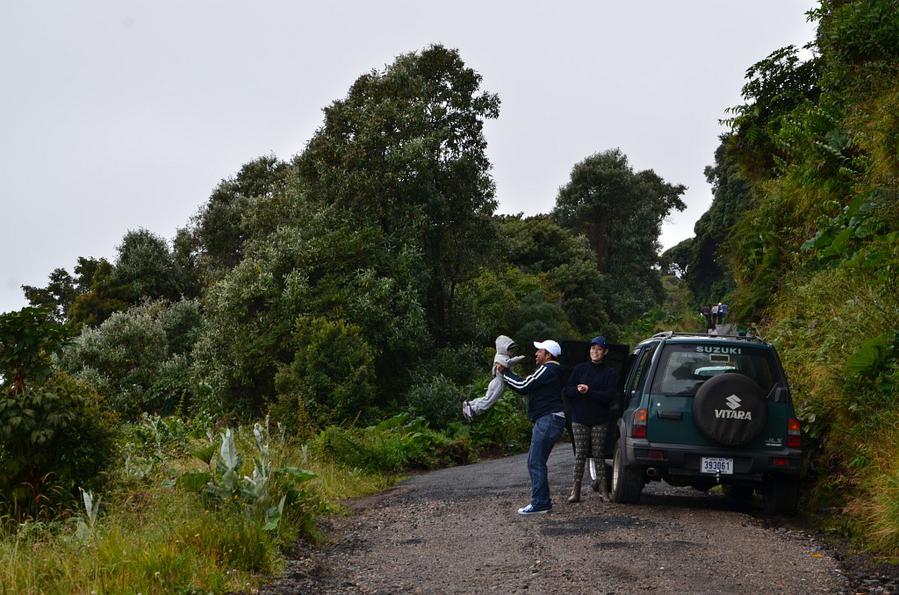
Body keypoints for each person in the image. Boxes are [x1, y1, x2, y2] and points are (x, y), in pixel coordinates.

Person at [497, 339, 565, 515]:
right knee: (537, 461)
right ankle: (542, 501)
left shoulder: (548, 368)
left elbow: (523, 385)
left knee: (535, 461)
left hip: (547, 419)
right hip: (552, 419)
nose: (536, 353)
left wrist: (505, 372)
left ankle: (541, 503)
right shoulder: (555, 371)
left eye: (539, 351)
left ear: (548, 355)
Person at [561, 336, 617, 503]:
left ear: (605, 352)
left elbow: (608, 396)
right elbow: (567, 391)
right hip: (579, 418)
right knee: (580, 454)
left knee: (598, 454)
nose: (595, 352)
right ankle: (575, 490)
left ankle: (603, 490)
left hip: (600, 419)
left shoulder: (609, 372)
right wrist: (578, 390)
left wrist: (589, 391)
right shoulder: (580, 369)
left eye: (599, 349)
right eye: (593, 349)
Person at [462, 335, 525, 422]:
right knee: (489, 401)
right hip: (499, 383)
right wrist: (516, 360)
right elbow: (506, 364)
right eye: (510, 350)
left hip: (497, 382)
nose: (512, 353)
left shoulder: (503, 356)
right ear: (504, 349)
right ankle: (473, 410)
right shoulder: (500, 357)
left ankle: (471, 404)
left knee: (487, 398)